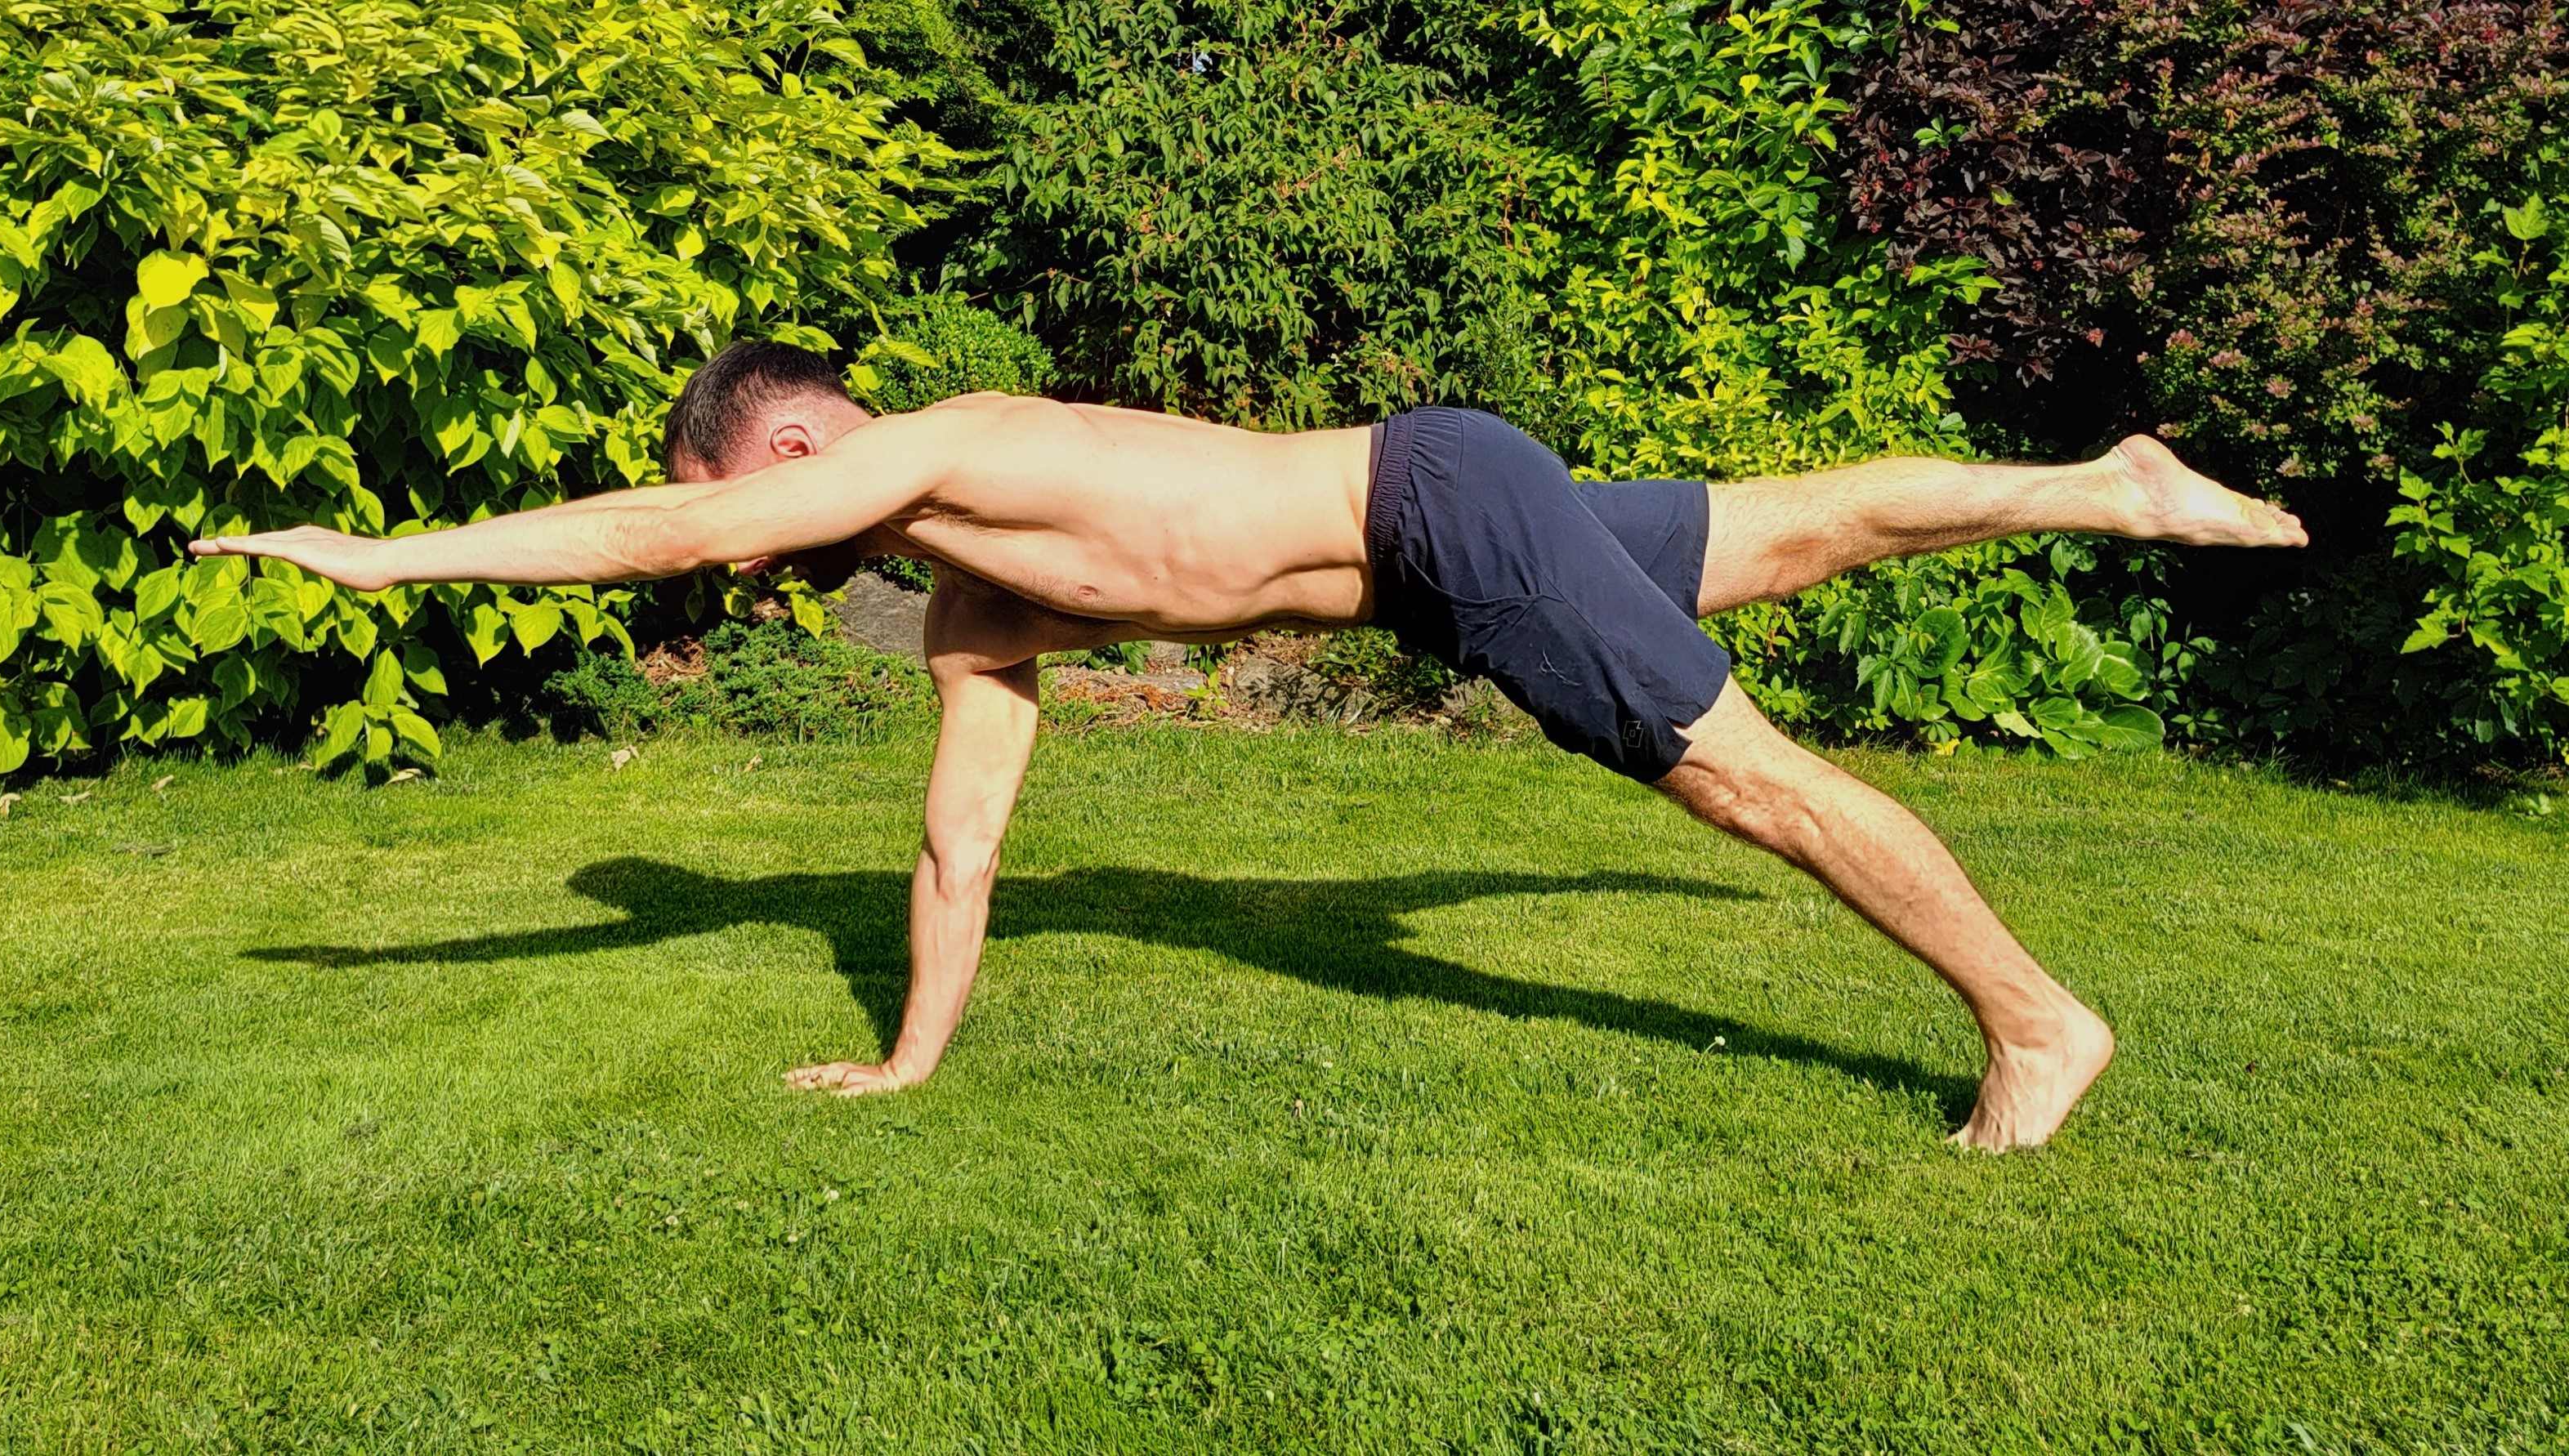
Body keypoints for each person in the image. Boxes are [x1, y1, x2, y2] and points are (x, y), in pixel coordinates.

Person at [191, 341, 2307, 1150]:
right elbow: (960, 843)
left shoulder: (928, 446)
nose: (760, 545)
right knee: (1798, 522)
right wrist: (917, 1059)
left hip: (1435, 519)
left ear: (807, 444)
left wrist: (397, 559)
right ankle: (2102, 480)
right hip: (1449, 502)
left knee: (1746, 775)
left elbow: (677, 522)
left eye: (769, 495)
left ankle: (2036, 1021)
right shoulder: (975, 576)